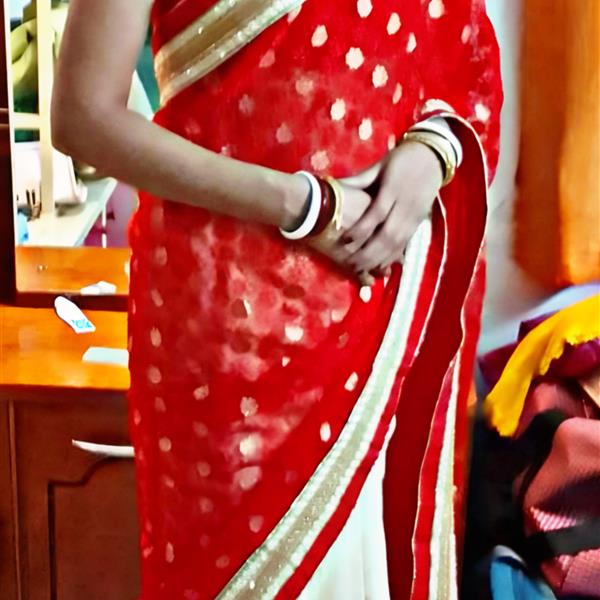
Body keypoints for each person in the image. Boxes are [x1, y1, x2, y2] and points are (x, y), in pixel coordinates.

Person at [52, 1, 502, 598]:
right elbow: (83, 115)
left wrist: (433, 149)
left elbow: (463, 56)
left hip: (378, 312)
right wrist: (299, 203)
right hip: (224, 336)